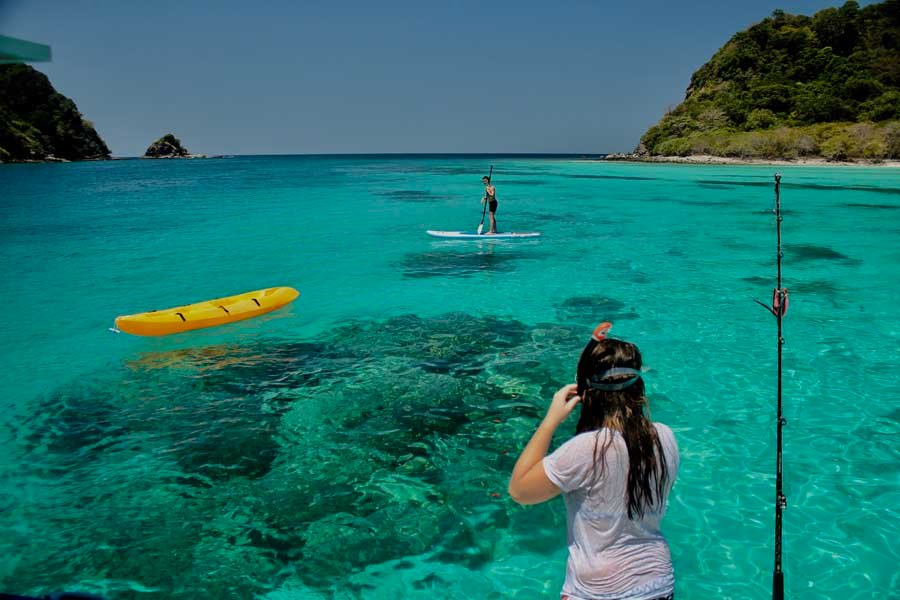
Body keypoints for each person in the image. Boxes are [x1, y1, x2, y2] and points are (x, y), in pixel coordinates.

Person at [508, 323, 679, 600]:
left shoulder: (587, 450)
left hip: (598, 591)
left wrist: (551, 420)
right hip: (658, 584)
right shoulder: (665, 437)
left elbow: (520, 491)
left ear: (585, 393)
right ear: (638, 387)